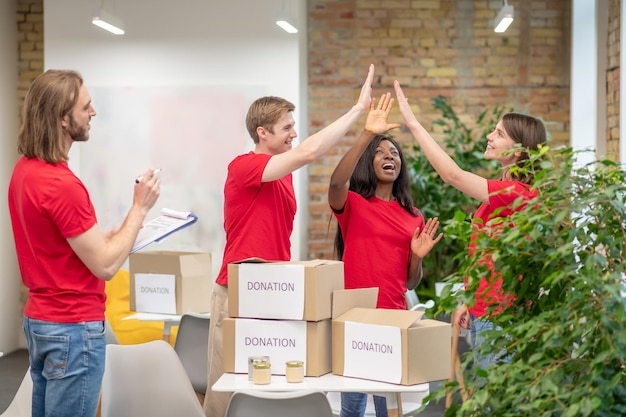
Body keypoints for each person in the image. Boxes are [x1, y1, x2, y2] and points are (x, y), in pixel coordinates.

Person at [204, 64, 378, 417]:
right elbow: (310, 153)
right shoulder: (244, 166)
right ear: (262, 132)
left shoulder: (282, 176)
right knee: (228, 389)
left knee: (273, 386)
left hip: (272, 293)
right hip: (237, 291)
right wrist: (357, 111)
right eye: (286, 128)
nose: (293, 134)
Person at [7, 69, 161, 417]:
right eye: (86, 107)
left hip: (41, 321)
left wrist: (101, 238)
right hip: (72, 328)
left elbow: (51, 241)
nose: (93, 113)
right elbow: (106, 266)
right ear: (63, 119)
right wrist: (140, 207)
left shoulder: (25, 171)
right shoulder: (63, 185)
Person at [393, 80, 548, 373]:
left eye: (499, 134)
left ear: (518, 150)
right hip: (484, 311)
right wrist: (471, 300)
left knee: (495, 404)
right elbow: (487, 256)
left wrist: (413, 124)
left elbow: (452, 175)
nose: (489, 136)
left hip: (502, 317)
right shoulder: (504, 190)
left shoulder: (517, 193)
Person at [329, 92, 443, 417]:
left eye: (394, 153)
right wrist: (367, 134)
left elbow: (409, 281)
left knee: (389, 406)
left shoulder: (414, 216)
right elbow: (337, 182)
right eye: (379, 153)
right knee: (352, 405)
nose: (388, 156)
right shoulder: (353, 204)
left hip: (394, 315)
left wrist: (417, 257)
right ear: (369, 162)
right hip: (354, 315)